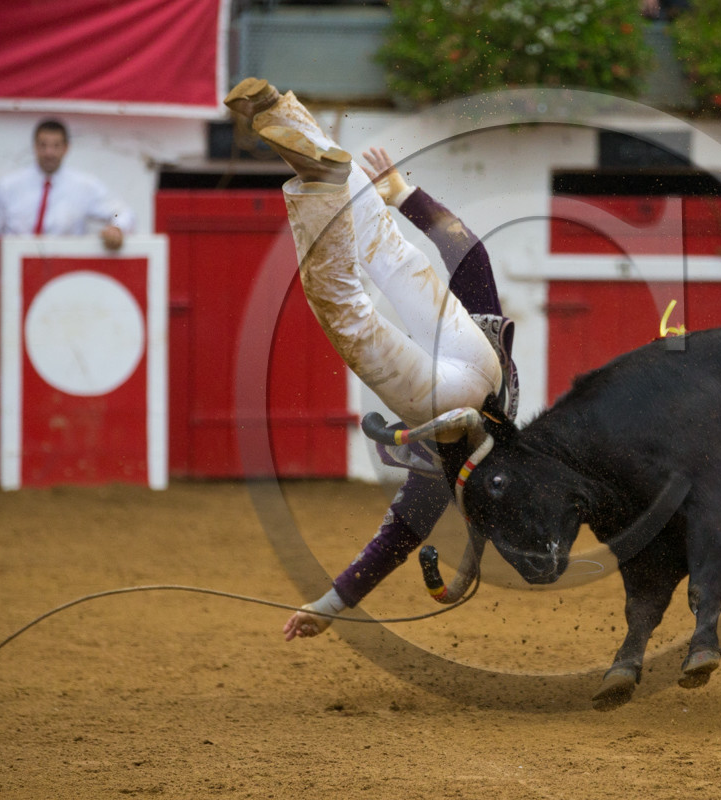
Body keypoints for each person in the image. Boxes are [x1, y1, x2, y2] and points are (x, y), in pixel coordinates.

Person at [221, 79, 518, 640]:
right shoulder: (446, 475)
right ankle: (320, 181)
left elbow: (470, 254)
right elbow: (395, 542)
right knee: (346, 308)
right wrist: (330, 604)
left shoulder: (483, 439)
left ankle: (285, 113)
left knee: (389, 252)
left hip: (485, 363)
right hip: (454, 402)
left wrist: (406, 196)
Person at [0, 119, 135, 492]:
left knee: (65, 370)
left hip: (63, 302)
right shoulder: (10, 187)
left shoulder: (84, 188)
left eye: (55, 145)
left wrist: (117, 229)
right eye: (43, 145)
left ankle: (63, 463)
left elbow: (120, 213)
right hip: (15, 295)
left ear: (65, 149)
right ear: (35, 147)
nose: (49, 152)